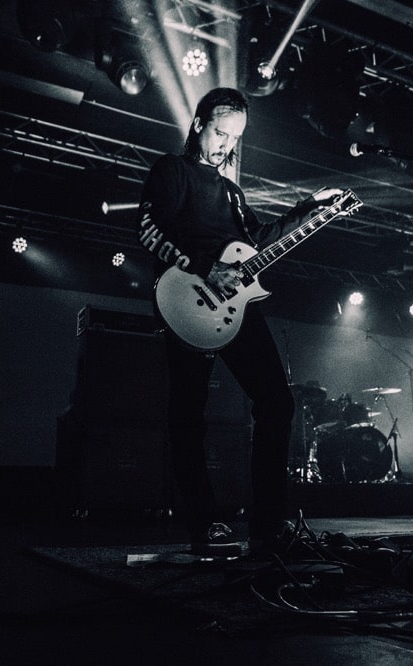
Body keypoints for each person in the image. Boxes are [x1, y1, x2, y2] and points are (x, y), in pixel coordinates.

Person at [136, 87, 343, 556]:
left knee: (277, 402)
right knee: (188, 414)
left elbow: (258, 240)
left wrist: (309, 207)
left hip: (238, 305)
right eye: (219, 132)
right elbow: (148, 230)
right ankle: (203, 523)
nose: (225, 144)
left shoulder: (231, 192)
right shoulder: (172, 171)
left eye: (235, 137)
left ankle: (267, 526)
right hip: (187, 299)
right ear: (198, 124)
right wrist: (207, 268)